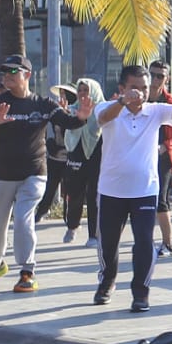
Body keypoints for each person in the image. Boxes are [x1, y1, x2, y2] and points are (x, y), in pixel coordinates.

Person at [93, 65, 172, 311]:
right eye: (135, 88)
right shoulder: (108, 108)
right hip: (111, 190)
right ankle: (107, 282)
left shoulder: (155, 112)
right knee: (109, 243)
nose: (141, 94)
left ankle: (141, 293)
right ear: (122, 88)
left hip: (144, 189)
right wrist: (123, 102)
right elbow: (102, 119)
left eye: (145, 88)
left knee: (144, 241)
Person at [0, 54, 89, 292]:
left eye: (13, 72)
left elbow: (67, 122)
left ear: (27, 75)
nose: (7, 76)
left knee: (23, 216)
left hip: (34, 172)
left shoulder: (43, 104)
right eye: (4, 72)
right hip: (0, 173)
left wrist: (81, 118)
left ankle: (27, 271)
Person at [146, 61, 172, 256]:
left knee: (161, 199)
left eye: (160, 76)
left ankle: (167, 243)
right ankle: (145, 241)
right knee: (141, 199)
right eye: (152, 74)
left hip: (163, 158)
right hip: (140, 156)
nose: (155, 80)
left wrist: (166, 146)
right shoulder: (138, 98)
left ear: (167, 79)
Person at [60, 78, 105, 246]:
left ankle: (94, 234)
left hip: (97, 154)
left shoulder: (103, 108)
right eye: (80, 90)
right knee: (74, 193)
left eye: (86, 90)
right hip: (76, 154)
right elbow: (63, 119)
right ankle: (72, 226)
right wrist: (64, 113)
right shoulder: (72, 109)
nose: (83, 94)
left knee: (94, 195)